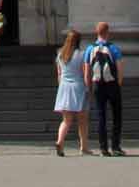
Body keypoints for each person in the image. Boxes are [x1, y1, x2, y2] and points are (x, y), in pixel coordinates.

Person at [84, 21, 125, 156]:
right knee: (116, 116)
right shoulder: (113, 48)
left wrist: (89, 87)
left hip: (98, 85)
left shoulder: (89, 49)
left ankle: (103, 148)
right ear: (108, 32)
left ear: (97, 32)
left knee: (101, 116)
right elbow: (119, 68)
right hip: (112, 85)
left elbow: (87, 71)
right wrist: (118, 84)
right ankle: (116, 147)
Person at [52, 29, 89, 157]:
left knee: (66, 120)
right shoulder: (82, 54)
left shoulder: (60, 54)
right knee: (82, 120)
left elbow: (59, 75)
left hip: (64, 87)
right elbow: (85, 74)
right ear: (79, 41)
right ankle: (84, 147)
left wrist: (61, 87)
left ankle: (60, 141)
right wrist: (88, 87)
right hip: (78, 87)